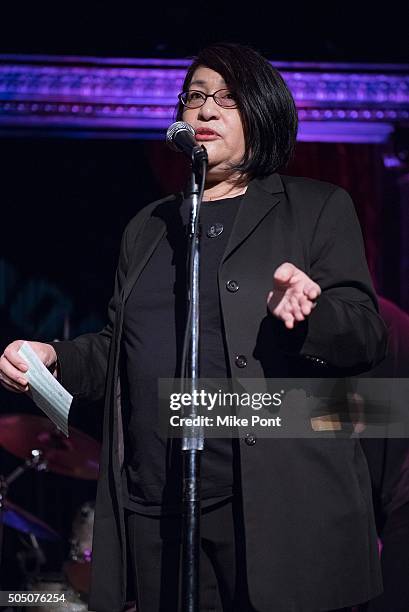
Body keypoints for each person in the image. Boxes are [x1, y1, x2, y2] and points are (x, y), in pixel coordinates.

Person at [0, 43, 387, 612]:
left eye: (226, 99)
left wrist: (310, 313)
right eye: (196, 97)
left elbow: (367, 338)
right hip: (161, 510)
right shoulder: (149, 227)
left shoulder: (316, 208)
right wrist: (53, 355)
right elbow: (119, 349)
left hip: (273, 510)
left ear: (262, 113)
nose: (205, 111)